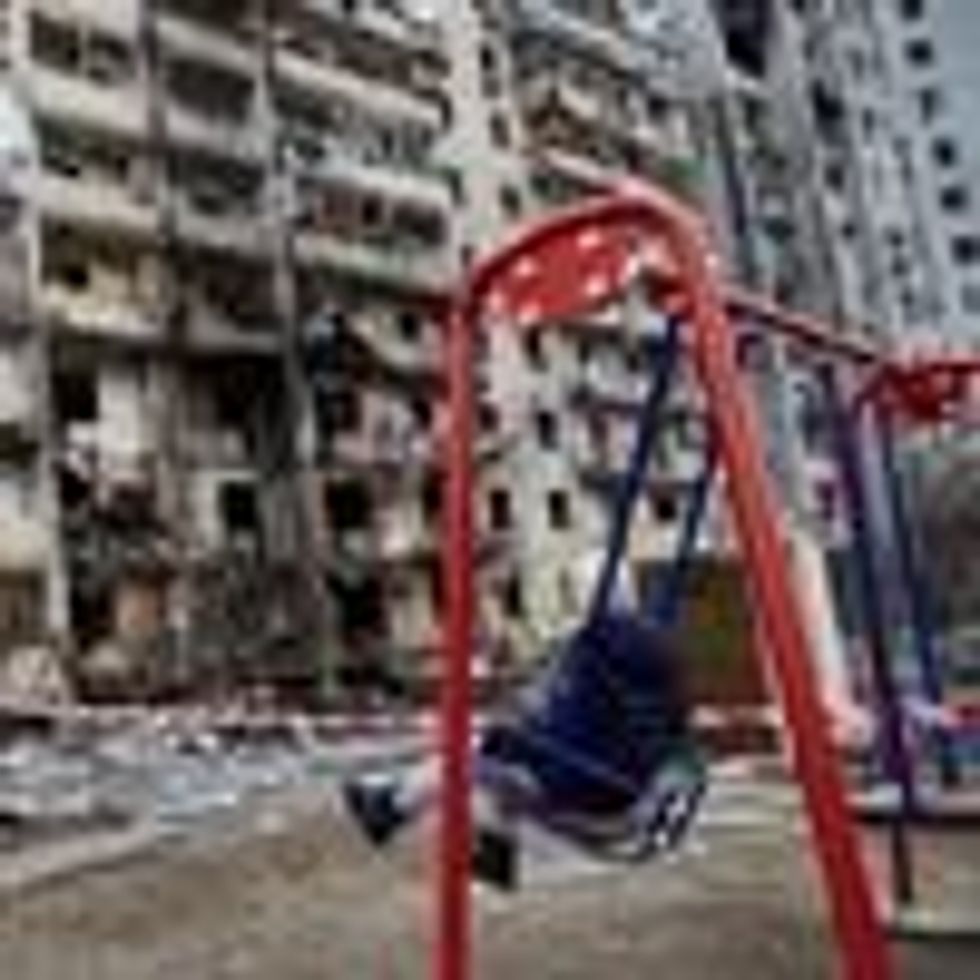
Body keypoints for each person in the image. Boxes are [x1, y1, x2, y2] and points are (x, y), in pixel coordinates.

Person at [343, 609, 702, 890]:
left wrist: (525, 741)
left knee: (478, 760)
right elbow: (576, 740)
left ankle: (395, 809)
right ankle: (399, 808)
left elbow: (574, 769)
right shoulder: (643, 705)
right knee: (492, 751)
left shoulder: (608, 708)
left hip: (595, 805)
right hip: (606, 794)